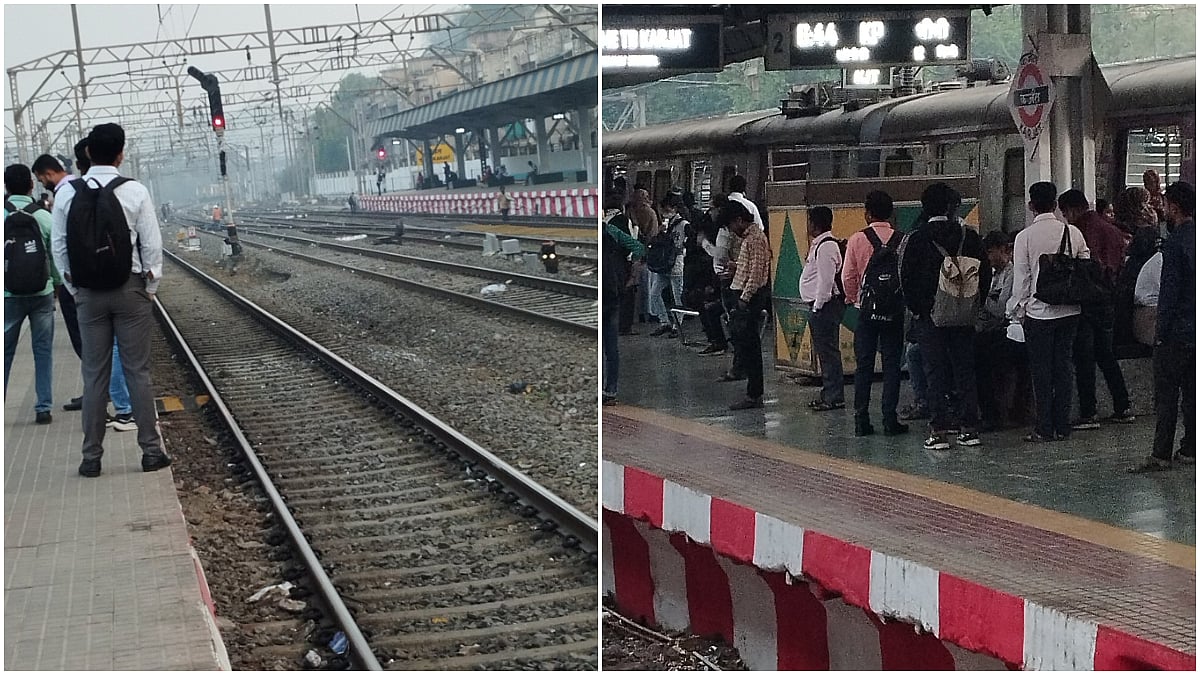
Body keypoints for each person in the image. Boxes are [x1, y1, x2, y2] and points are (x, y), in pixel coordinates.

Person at [50, 122, 171, 477]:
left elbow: (59, 247)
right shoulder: (134, 191)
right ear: (121, 153)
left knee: (94, 375)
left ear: (88, 153)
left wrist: (75, 290)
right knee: (137, 372)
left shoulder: (67, 194)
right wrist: (150, 288)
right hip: (130, 289)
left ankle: (91, 459)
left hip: (88, 294)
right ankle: (151, 452)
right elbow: (151, 245)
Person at [901, 183, 991, 450]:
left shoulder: (916, 237)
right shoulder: (970, 236)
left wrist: (919, 310)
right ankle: (969, 428)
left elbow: (906, 277)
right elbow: (985, 274)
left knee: (935, 371)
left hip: (930, 316)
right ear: (951, 207)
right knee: (964, 370)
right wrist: (974, 306)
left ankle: (939, 429)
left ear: (924, 206)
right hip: (963, 315)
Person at [1008, 181, 1090, 443]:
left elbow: (1022, 279)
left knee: (1041, 372)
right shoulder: (1072, 232)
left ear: (1031, 206)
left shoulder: (1025, 237)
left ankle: (1044, 427)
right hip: (1070, 310)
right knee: (1064, 367)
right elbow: (1085, 266)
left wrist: (1016, 311)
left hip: (1039, 313)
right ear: (1055, 205)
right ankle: (1063, 425)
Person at [1131, 181, 1195, 472]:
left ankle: (1161, 453)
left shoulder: (1175, 244)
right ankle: (1192, 447)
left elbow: (1169, 293)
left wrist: (1161, 333)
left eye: (1167, 204)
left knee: (1167, 396)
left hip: (1177, 332)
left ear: (1176, 208)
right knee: (1194, 395)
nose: (1164, 209)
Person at [1057, 189, 1133, 429]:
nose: (1066, 218)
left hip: (1089, 303)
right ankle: (1123, 405)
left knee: (1085, 357)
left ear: (1072, 209)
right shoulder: (1109, 227)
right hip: (1109, 301)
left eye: (1065, 213)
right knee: (1106, 355)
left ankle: (1089, 412)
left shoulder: (1081, 230)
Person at [842, 190, 907, 436]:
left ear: (867, 213)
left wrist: (853, 298)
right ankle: (890, 420)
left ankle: (862, 420)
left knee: (864, 366)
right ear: (891, 213)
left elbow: (847, 275)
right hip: (894, 311)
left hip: (866, 312)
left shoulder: (858, 239)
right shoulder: (902, 239)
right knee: (892, 366)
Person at [4, 163, 61, 424]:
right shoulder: (44, 216)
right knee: (42, 351)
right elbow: (55, 254)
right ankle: (43, 408)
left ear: (5, 187)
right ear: (31, 185)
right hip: (42, 292)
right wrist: (58, 285)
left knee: (5, 353)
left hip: (7, 295)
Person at [974, 230, 1028, 430]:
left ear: (1003, 250)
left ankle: (992, 414)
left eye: (990, 252)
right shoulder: (992, 274)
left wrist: (981, 299)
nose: (988, 258)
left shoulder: (1012, 274)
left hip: (1010, 331)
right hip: (989, 329)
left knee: (983, 359)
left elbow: (1000, 308)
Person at [725, 200, 771, 410]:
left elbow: (756, 273)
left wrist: (744, 299)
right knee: (745, 344)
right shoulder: (749, 239)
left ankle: (754, 394)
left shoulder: (755, 239)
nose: (732, 231)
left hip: (750, 299)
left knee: (751, 347)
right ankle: (752, 392)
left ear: (739, 220)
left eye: (731, 225)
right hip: (745, 295)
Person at [799, 206, 845, 412]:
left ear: (815, 224)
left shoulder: (826, 247)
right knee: (825, 353)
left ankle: (834, 396)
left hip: (825, 307)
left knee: (828, 353)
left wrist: (817, 306)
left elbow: (826, 282)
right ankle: (829, 393)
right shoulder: (820, 245)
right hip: (822, 307)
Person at [603, 201, 645, 405]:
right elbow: (638, 247)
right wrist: (632, 273)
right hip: (613, 290)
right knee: (611, 346)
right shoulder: (611, 230)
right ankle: (610, 390)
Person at [647, 193, 688, 337]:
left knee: (678, 296)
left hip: (676, 264)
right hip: (664, 265)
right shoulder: (666, 224)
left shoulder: (683, 225)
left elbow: (687, 243)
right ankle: (664, 321)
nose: (664, 212)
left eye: (667, 208)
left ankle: (678, 326)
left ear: (675, 208)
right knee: (654, 294)